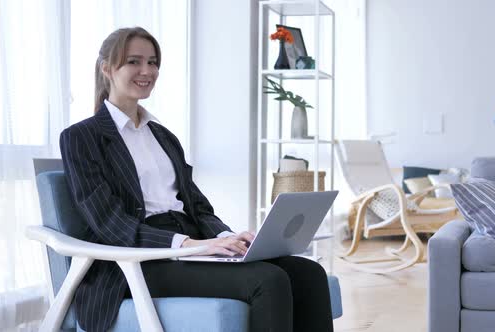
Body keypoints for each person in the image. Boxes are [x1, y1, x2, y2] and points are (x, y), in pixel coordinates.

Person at [60, 27, 334, 332]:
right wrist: (190, 245)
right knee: (267, 281)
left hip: (189, 246)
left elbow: (197, 207)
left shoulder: (163, 136)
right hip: (138, 262)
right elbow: (109, 222)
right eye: (134, 62)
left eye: (152, 62)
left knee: (308, 273)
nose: (146, 71)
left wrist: (226, 238)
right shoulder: (81, 137)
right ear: (107, 68)